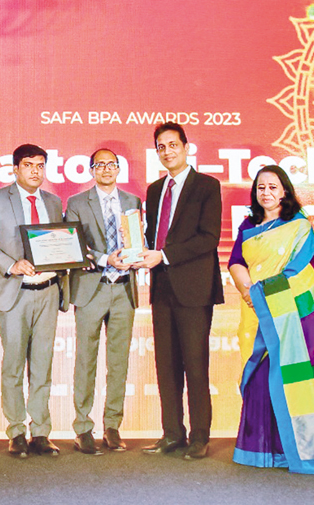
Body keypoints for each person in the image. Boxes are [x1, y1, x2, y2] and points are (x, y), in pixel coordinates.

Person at [228, 165, 314, 475]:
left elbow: (304, 273)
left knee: (285, 379)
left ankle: (293, 452)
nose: (266, 193)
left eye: (273, 187)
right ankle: (259, 452)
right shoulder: (248, 225)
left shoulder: (299, 226)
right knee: (258, 382)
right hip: (254, 314)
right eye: (261, 187)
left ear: (285, 191)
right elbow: (236, 261)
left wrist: (263, 294)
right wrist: (249, 292)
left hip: (290, 320)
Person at [0, 144, 70, 458]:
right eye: (28, 165)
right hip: (13, 293)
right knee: (14, 365)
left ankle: (40, 432)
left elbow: (60, 242)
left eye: (40, 165)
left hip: (48, 291)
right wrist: (10, 264)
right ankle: (16, 431)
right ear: (15, 169)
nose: (35, 171)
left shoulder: (53, 202)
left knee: (42, 365)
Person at [133, 122, 223, 460]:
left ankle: (200, 436)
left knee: (196, 366)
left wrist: (165, 255)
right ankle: (172, 433)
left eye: (173, 144)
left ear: (186, 147)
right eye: (161, 146)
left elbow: (208, 238)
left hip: (194, 288)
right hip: (162, 286)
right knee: (166, 366)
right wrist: (135, 252)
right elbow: (152, 237)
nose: (167, 151)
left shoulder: (207, 186)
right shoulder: (156, 189)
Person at [64, 148, 141, 455]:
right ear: (91, 170)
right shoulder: (77, 202)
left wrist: (137, 253)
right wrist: (104, 258)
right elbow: (74, 243)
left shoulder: (133, 202)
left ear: (119, 168)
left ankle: (112, 426)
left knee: (118, 362)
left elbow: (139, 241)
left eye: (112, 164)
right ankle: (83, 427)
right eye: (100, 165)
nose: (106, 169)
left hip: (123, 289)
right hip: (91, 287)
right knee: (86, 360)